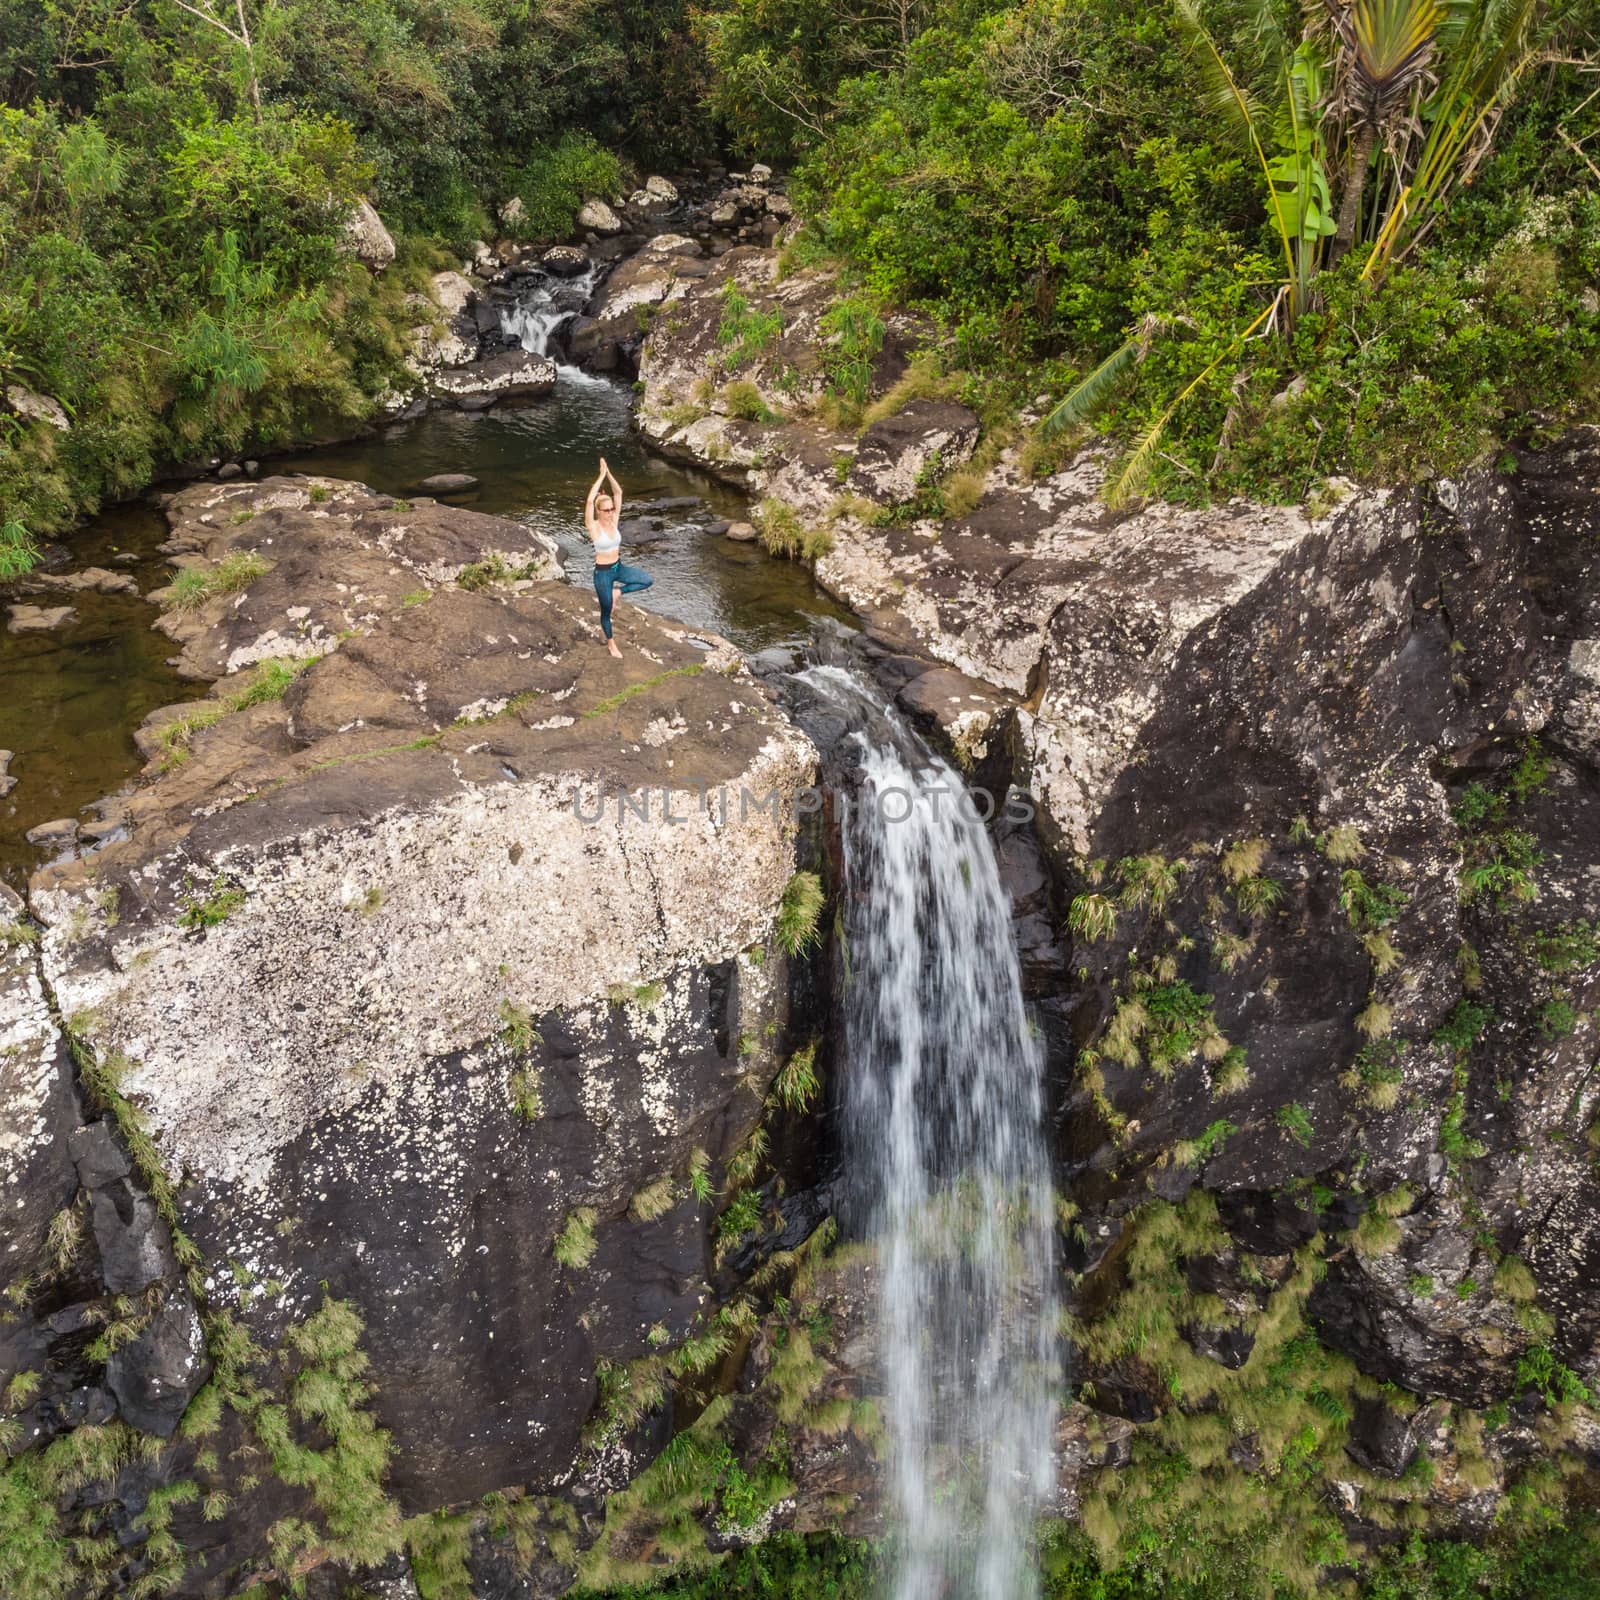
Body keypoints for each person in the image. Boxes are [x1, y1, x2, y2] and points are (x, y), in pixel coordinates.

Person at [585, 457, 652, 658]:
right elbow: (589, 501)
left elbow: (618, 492)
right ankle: (611, 644)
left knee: (646, 580)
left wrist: (609, 473)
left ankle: (618, 593)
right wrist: (600, 477)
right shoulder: (593, 526)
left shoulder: (614, 520)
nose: (611, 512)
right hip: (603, 574)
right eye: (606, 510)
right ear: (599, 511)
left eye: (612, 508)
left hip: (618, 567)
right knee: (606, 612)